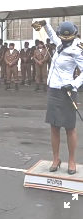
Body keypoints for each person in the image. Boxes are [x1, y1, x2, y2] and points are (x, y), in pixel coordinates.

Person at [33, 20, 83, 174]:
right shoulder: (60, 42)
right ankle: (56, 159)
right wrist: (45, 24)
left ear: (74, 36)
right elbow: (51, 34)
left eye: (67, 39)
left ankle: (72, 161)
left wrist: (74, 84)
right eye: (62, 38)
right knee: (54, 127)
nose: (64, 40)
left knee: (70, 128)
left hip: (67, 91)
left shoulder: (77, 48)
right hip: (53, 91)